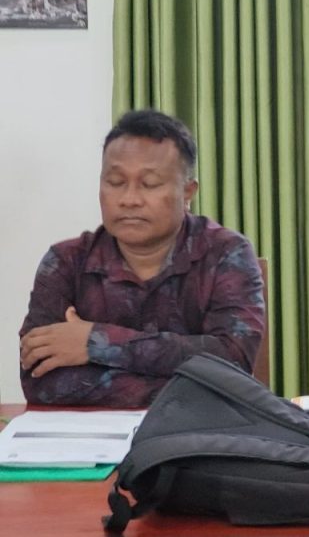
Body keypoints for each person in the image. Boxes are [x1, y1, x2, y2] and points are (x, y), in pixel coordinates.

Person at [19, 110, 265, 407]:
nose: (129, 199)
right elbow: (39, 379)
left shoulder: (226, 253)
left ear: (188, 192)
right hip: (93, 432)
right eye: (115, 182)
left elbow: (233, 361)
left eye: (149, 184)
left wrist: (96, 342)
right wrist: (188, 386)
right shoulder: (66, 262)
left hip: (197, 432)